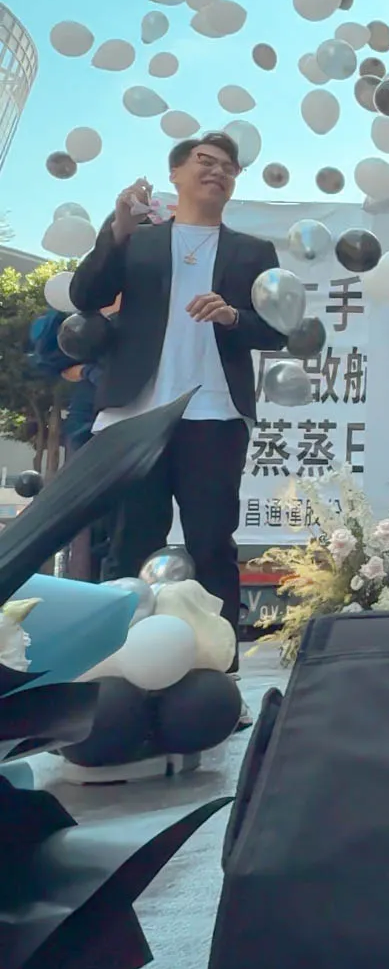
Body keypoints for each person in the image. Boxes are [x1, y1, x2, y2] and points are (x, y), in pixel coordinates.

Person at [68, 132, 287, 702]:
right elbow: (86, 294)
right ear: (176, 174)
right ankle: (117, 677)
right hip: (136, 414)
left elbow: (277, 331)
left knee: (212, 544)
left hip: (214, 413)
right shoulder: (138, 242)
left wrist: (233, 316)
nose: (217, 172)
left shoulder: (252, 252)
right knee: (130, 544)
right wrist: (116, 230)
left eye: (228, 167)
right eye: (204, 162)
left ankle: (221, 682)